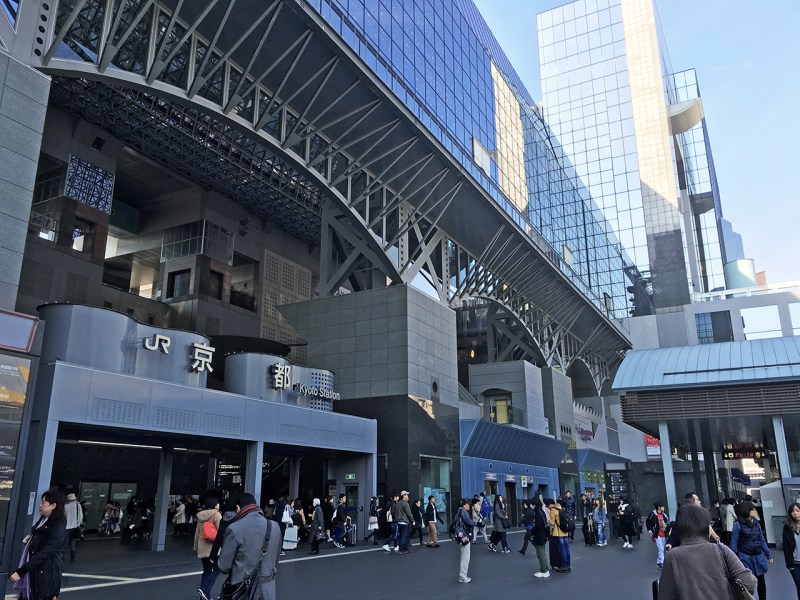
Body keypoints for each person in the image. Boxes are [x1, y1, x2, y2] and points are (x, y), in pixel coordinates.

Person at [658, 503, 756, 600]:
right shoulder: (721, 550)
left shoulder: (673, 556)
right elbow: (749, 583)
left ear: (680, 527)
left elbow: (665, 595)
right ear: (705, 526)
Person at [217, 492, 281, 600]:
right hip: (267, 591)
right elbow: (276, 560)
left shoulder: (234, 529)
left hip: (243, 591)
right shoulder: (274, 526)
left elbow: (224, 566)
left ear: (238, 508)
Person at [11, 490, 67, 600]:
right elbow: (41, 538)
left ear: (53, 505)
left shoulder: (57, 525)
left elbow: (45, 552)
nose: (40, 505)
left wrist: (21, 571)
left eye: (43, 502)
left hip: (45, 579)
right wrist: (32, 539)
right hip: (37, 575)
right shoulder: (44, 520)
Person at [731, 500, 772, 600]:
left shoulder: (756, 523)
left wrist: (768, 554)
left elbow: (761, 539)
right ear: (746, 511)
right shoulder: (738, 524)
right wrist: (733, 559)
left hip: (758, 556)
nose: (755, 511)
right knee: (748, 582)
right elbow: (734, 542)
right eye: (752, 509)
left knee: (761, 581)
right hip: (745, 556)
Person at [193, 497, 222, 600]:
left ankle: (205, 597)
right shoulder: (217, 514)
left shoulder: (201, 516)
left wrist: (196, 547)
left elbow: (197, 533)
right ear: (215, 505)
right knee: (217, 570)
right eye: (218, 503)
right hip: (213, 548)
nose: (219, 505)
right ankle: (204, 590)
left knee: (207, 571)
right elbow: (220, 532)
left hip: (202, 548)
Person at [455, 498, 476, 583]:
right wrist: (475, 523)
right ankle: (463, 576)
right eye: (467, 504)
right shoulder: (463, 511)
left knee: (463, 555)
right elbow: (469, 522)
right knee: (465, 557)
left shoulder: (459, 511)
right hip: (465, 536)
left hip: (461, 536)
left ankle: (461, 576)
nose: (469, 506)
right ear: (464, 505)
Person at [782, 502, 800, 599]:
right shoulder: (788, 528)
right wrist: (789, 565)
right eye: (793, 511)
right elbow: (786, 547)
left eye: (798, 511)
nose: (795, 513)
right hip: (796, 564)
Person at [645, 501, 669, 569]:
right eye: (662, 506)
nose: (664, 508)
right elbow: (648, 521)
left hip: (664, 534)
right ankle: (661, 563)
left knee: (663, 548)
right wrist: (649, 530)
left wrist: (666, 527)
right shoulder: (653, 514)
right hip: (657, 534)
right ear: (659, 507)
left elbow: (667, 523)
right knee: (660, 548)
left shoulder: (664, 515)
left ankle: (659, 562)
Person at [550, 497, 571, 572]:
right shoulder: (563, 509)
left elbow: (552, 523)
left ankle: (564, 566)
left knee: (562, 549)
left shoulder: (553, 510)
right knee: (566, 548)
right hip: (565, 531)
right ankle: (568, 565)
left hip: (558, 532)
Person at [530, 499, 550, 578]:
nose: (531, 506)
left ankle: (544, 570)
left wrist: (532, 531)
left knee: (540, 554)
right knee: (542, 553)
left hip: (539, 536)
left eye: (532, 505)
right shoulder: (542, 511)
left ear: (535, 505)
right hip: (543, 535)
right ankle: (545, 569)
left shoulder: (537, 513)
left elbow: (538, 526)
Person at [64, 492, 83, 562]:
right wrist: (79, 523)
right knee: (73, 541)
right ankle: (72, 555)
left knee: (65, 542)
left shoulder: (65, 506)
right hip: (75, 526)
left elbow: (64, 516)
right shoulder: (78, 506)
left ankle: (63, 555)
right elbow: (81, 516)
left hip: (66, 526)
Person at [393, 491, 414, 555]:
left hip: (399, 522)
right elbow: (409, 514)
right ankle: (401, 549)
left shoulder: (397, 503)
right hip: (404, 522)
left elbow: (394, 512)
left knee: (401, 536)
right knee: (404, 536)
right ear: (403, 496)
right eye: (407, 495)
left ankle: (405, 549)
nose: (408, 496)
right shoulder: (406, 504)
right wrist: (413, 521)